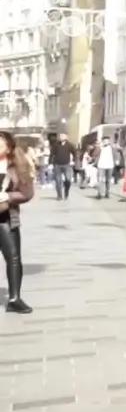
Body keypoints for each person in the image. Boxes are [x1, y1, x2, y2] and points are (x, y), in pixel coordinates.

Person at [0, 132, 36, 313]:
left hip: (5, 217)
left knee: (13, 256)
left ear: (9, 148)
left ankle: (14, 298)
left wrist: (8, 196)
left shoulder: (17, 166)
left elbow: (27, 193)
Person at [50, 134, 75, 201]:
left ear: (66, 138)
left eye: (62, 136)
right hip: (57, 165)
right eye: (60, 136)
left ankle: (66, 193)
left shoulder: (69, 145)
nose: (60, 137)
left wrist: (74, 160)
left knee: (68, 179)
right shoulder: (56, 145)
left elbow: (75, 152)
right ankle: (59, 196)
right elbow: (51, 154)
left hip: (66, 165)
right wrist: (50, 163)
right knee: (58, 181)